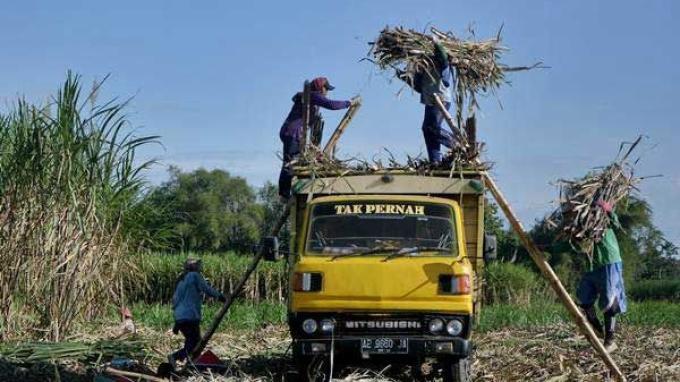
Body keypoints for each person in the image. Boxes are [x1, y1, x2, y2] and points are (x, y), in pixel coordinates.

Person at [278, 77, 353, 198]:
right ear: (320, 88)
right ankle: (284, 193)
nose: (326, 92)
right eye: (326, 88)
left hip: (293, 133)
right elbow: (331, 105)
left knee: (296, 162)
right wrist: (348, 103)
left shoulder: (310, 98)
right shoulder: (313, 95)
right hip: (293, 133)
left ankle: (291, 189)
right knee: (290, 163)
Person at [577, 199, 628, 352]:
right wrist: (544, 248)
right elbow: (570, 244)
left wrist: (609, 210)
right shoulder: (582, 228)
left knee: (609, 302)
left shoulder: (605, 223)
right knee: (583, 298)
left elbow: (616, 224)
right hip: (592, 266)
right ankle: (596, 326)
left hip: (609, 262)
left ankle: (610, 340)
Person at [402, 36, 456, 165]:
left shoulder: (440, 64)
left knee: (431, 127)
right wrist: (404, 77)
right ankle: (435, 160)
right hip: (431, 102)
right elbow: (419, 87)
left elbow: (443, 58)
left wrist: (437, 43)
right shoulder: (424, 72)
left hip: (441, 100)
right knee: (427, 129)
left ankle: (456, 144)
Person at [168, 258, 226, 369]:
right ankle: (176, 357)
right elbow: (206, 289)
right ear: (194, 267)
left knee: (191, 341)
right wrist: (220, 296)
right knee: (195, 342)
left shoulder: (181, 280)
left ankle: (190, 363)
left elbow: (175, 301)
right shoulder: (194, 276)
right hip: (190, 316)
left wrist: (177, 322)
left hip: (181, 317)